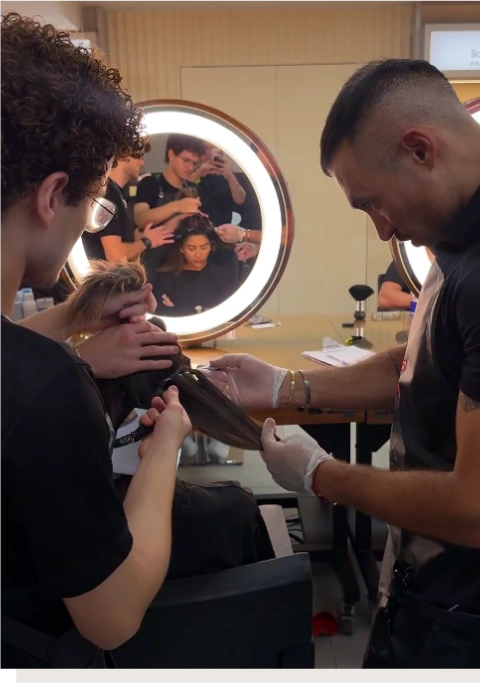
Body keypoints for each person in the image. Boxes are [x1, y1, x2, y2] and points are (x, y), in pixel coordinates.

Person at [203, 60, 480, 669]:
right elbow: (421, 362)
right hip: (427, 576)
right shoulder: (463, 228)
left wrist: (322, 475)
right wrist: (287, 384)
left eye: (372, 203)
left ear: (420, 150)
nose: (384, 230)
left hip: (476, 610)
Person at [0, 13, 190, 668]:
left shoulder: (32, 372)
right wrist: (164, 448)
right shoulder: (47, 386)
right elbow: (112, 615)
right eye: (95, 200)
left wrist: (72, 315)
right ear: (53, 195)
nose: (90, 220)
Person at [82, 144, 179, 263]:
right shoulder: (109, 194)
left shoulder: (115, 194)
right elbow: (115, 255)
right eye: (138, 157)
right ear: (123, 154)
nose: (142, 163)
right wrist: (146, 242)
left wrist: (139, 240)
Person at [150, 215, 239, 317]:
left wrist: (177, 309)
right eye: (191, 248)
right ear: (181, 248)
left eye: (203, 247)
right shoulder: (165, 278)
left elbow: (231, 313)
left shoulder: (224, 277)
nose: (198, 254)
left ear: (210, 246)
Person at [134, 134, 204, 230]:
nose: (191, 168)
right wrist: (177, 206)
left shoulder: (194, 189)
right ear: (171, 155)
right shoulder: (150, 184)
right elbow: (140, 220)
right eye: (186, 160)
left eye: (195, 163)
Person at [190, 144, 246, 226]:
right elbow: (180, 192)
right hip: (197, 227)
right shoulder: (191, 169)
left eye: (216, 149)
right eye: (207, 148)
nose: (211, 153)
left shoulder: (226, 172)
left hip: (222, 228)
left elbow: (240, 200)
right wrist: (198, 173)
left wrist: (230, 177)